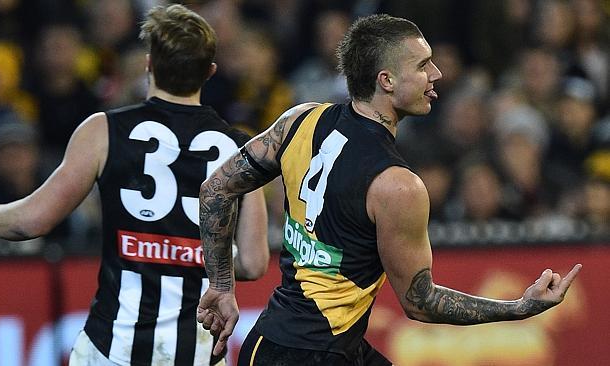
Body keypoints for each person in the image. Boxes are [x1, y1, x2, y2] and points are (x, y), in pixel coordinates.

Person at [195, 14, 582, 365]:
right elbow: (421, 303)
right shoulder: (398, 185)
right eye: (422, 65)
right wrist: (518, 308)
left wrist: (221, 286)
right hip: (317, 353)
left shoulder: (300, 120)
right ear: (387, 80)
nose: (437, 74)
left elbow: (215, 190)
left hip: (272, 341)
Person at [0, 4, 269, 366]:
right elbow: (253, 262)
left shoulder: (103, 131)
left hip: (113, 346)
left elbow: (31, 221)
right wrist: (192, 254)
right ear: (210, 71)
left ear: (149, 64)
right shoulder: (239, 149)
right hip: (196, 351)